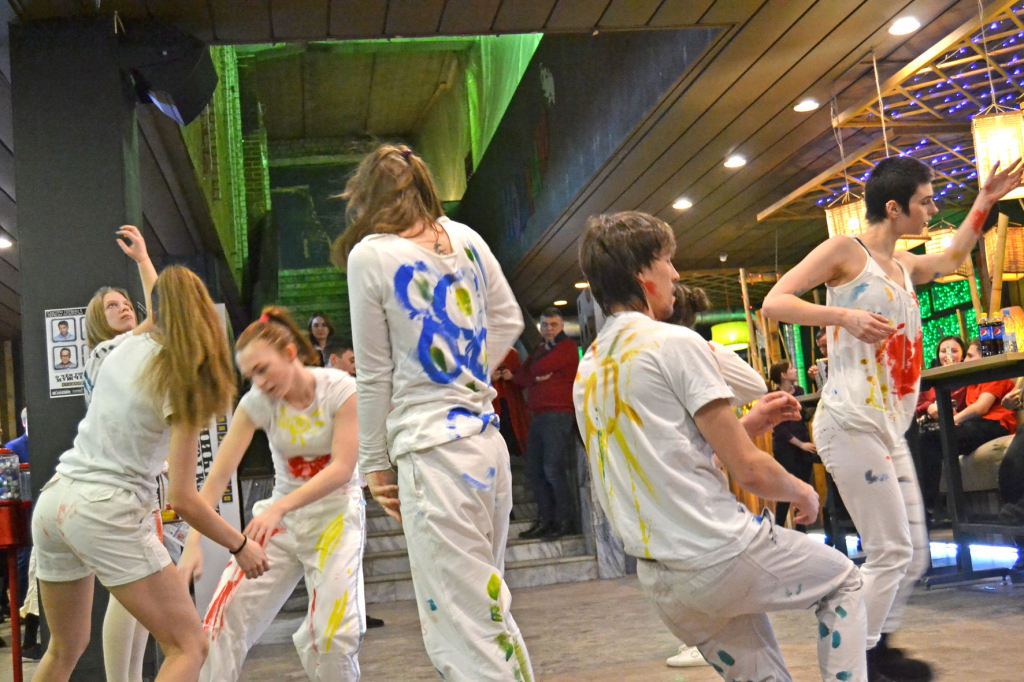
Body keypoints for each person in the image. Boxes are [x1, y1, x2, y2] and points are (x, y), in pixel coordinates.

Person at [762, 154, 1024, 681]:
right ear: (893, 207)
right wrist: (844, 316)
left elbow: (952, 257)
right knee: (891, 551)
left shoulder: (903, 265)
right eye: (924, 202)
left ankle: (874, 650)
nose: (931, 211)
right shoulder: (845, 251)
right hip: (849, 421)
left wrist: (986, 199)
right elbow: (774, 302)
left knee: (914, 554)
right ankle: (856, 659)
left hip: (887, 427)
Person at [576, 211, 868, 682]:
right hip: (718, 552)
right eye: (666, 261)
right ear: (640, 273)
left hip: (664, 581)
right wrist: (803, 493)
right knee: (846, 583)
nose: (675, 274)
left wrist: (747, 424)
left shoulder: (588, 368)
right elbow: (749, 470)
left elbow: (673, 460)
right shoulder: (673, 342)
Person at [336, 144, 533, 681]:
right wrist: (466, 375)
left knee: (463, 627)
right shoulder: (466, 237)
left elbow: (373, 372)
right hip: (486, 444)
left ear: (367, 196)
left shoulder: (371, 255)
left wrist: (374, 463)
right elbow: (508, 318)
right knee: (487, 610)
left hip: (432, 453)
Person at [31, 266, 269, 682]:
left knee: (63, 648)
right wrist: (240, 544)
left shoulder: (121, 349)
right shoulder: (182, 378)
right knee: (189, 646)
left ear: (153, 311)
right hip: (107, 509)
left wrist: (145, 262)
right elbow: (183, 497)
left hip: (55, 502)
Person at [175, 307, 365, 681]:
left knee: (332, 635)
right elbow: (218, 477)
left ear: (290, 353)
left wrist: (278, 509)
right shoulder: (256, 404)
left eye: (263, 369)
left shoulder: (340, 389)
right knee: (221, 621)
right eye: (250, 376)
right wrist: (193, 542)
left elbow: (342, 469)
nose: (258, 383)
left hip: (336, 517)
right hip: (281, 522)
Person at [662, 282, 770, 670]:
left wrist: (709, 403)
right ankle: (711, 637)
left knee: (702, 557)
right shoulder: (664, 352)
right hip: (686, 465)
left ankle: (713, 638)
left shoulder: (692, 349)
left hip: (695, 470)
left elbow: (755, 385)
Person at [917, 339, 1016, 511]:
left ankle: (928, 507)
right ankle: (935, 507)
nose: (965, 360)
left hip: (993, 424)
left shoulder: (994, 376)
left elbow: (980, 408)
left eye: (970, 356)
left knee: (930, 441)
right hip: (975, 425)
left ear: (984, 357)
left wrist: (951, 421)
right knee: (925, 440)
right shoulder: (972, 383)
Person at [514, 307, 579, 540]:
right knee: (534, 471)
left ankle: (564, 521)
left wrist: (535, 372)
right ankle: (546, 521)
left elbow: (535, 368)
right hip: (539, 415)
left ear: (562, 326)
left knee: (552, 469)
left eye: (553, 325)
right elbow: (521, 377)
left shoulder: (567, 347)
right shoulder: (541, 349)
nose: (548, 329)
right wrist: (536, 376)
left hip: (558, 414)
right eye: (544, 325)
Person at [768, 360, 817, 532]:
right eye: (791, 368)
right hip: (786, 450)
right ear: (783, 375)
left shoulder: (799, 391)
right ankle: (777, 532)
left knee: (803, 491)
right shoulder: (774, 397)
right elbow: (779, 428)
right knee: (786, 492)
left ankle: (801, 533)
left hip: (803, 447)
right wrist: (801, 444)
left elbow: (804, 416)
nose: (795, 370)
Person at [492, 350, 531, 458]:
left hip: (510, 401)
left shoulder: (512, 354)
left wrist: (512, 377)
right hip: (492, 402)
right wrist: (489, 379)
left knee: (512, 433)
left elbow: (523, 380)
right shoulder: (480, 352)